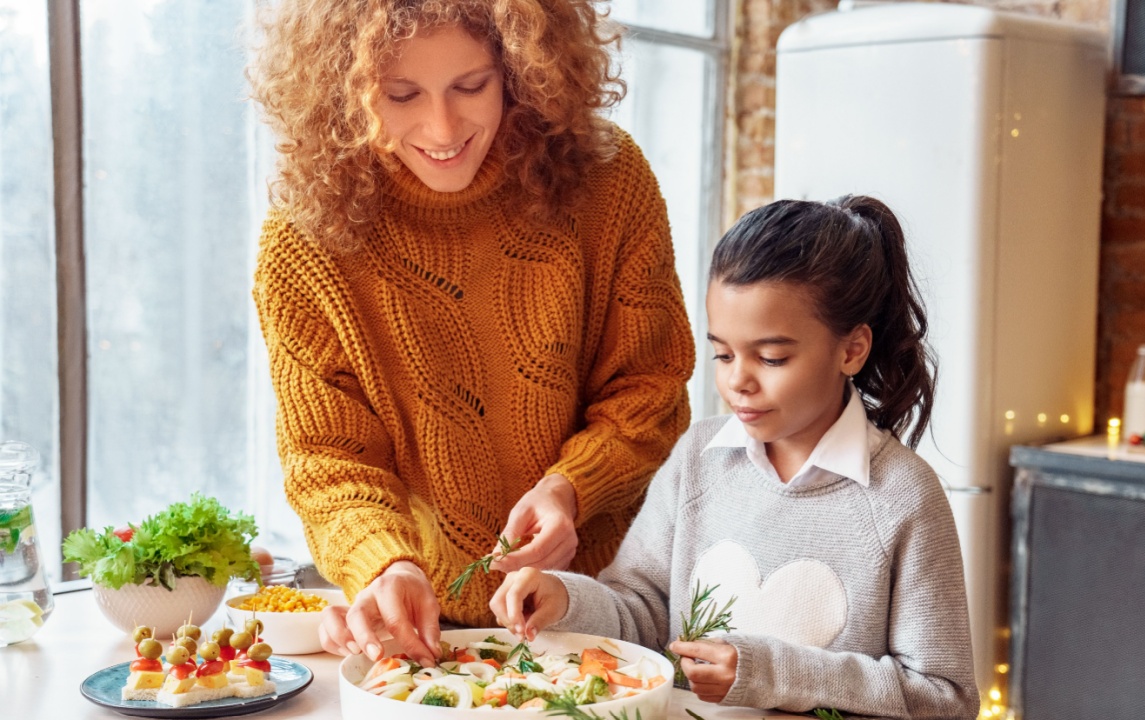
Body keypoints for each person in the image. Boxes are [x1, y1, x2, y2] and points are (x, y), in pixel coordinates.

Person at [247, 0, 695, 667]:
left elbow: (650, 388)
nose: (442, 126)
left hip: (609, 609)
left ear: (521, 69)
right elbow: (328, 459)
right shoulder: (303, 243)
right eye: (402, 95)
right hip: (427, 628)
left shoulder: (609, 181)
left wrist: (571, 488)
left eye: (471, 86)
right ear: (344, 90)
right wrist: (383, 563)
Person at [491, 196, 980, 717]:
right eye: (723, 354)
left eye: (771, 357)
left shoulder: (903, 497)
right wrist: (562, 598)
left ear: (851, 350)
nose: (737, 381)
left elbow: (945, 697)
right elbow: (641, 611)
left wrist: (765, 672)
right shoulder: (698, 458)